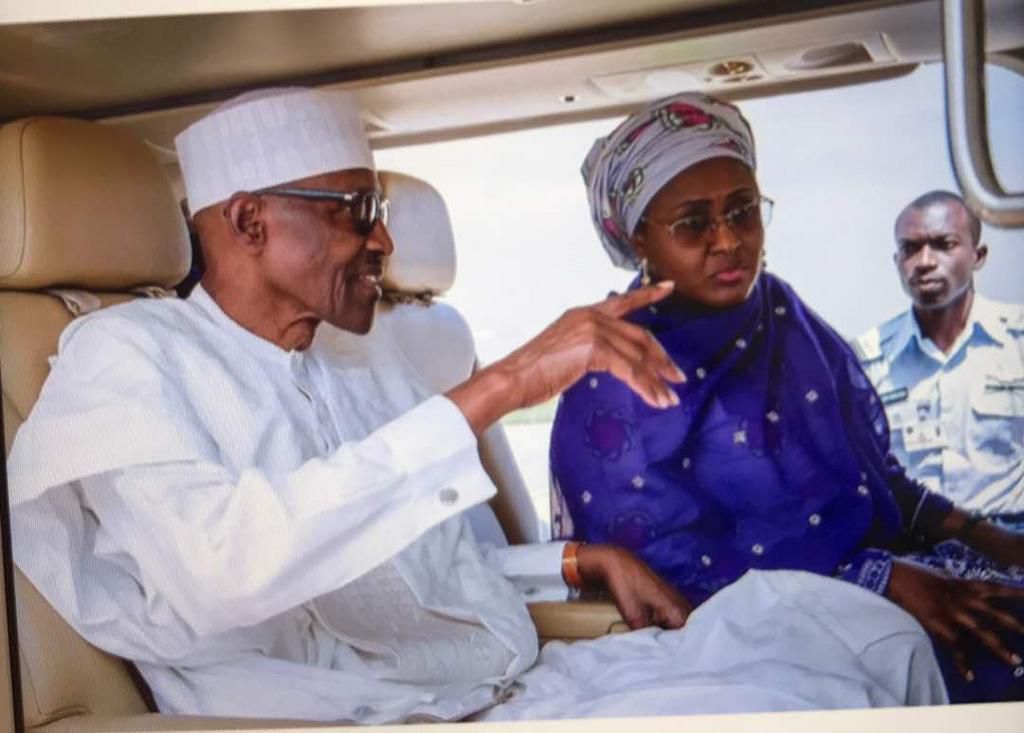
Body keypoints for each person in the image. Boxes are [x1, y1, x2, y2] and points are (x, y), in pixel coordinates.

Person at [7, 88, 947, 723]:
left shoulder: (351, 362)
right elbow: (227, 568)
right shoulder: (128, 361)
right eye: (353, 208)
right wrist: (501, 385)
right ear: (250, 220)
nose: (381, 238)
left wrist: (572, 557)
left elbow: (418, 566)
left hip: (502, 682)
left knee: (853, 633)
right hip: (374, 714)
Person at [549, 92, 1024, 705]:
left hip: (885, 579)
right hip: (755, 633)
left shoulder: (781, 316)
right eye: (694, 222)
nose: (727, 240)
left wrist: (995, 541)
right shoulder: (609, 379)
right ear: (641, 238)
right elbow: (671, 569)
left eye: (743, 210)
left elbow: (877, 482)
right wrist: (878, 580)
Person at [852, 191, 1024, 531]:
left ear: (979, 255)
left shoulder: (1017, 342)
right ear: (897, 260)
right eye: (910, 248)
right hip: (919, 551)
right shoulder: (867, 358)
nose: (925, 261)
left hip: (1015, 546)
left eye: (943, 244)